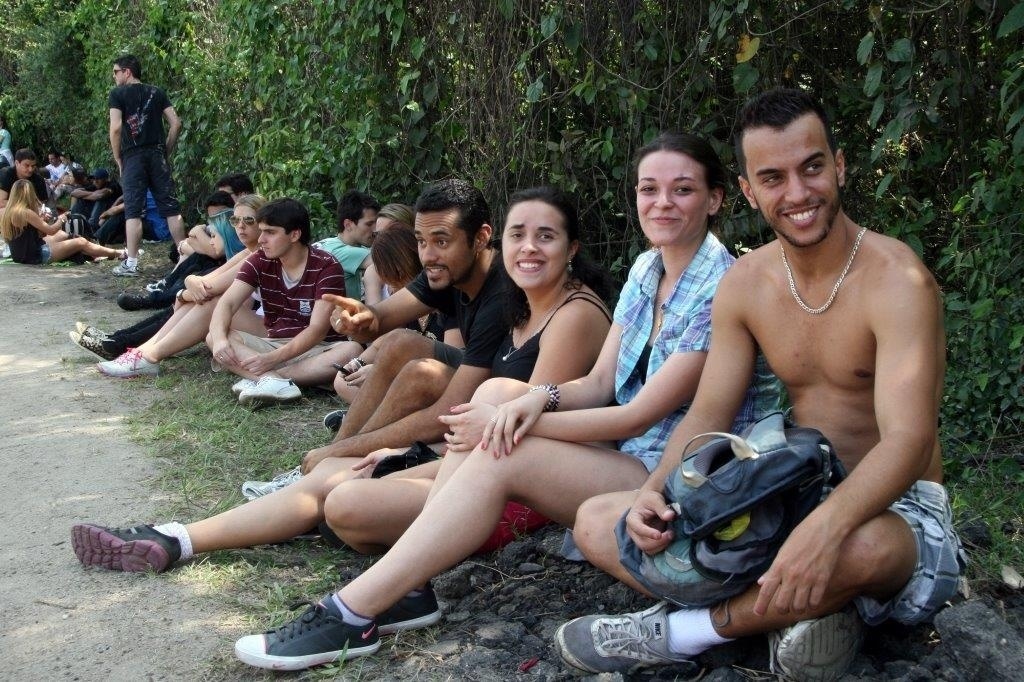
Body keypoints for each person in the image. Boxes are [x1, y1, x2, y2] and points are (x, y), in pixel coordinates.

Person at [228, 135, 779, 671]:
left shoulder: (720, 285)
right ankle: (408, 585)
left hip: (683, 473)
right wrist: (535, 400)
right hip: (633, 455)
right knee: (497, 396)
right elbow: (599, 383)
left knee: (501, 440)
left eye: (681, 190)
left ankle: (352, 610)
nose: (662, 203)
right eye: (649, 189)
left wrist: (518, 422)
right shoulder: (646, 270)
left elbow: (642, 413)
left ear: (715, 199)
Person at [552, 88, 966, 680]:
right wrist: (659, 489)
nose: (797, 194)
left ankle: (676, 633)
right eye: (773, 177)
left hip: (892, 507)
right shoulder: (747, 283)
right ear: (748, 191)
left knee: (864, 548)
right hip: (784, 491)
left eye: (812, 167)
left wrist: (828, 526)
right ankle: (803, 612)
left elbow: (908, 441)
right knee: (598, 520)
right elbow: (708, 414)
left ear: (839, 165)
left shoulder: (898, 281)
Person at [69, 187, 612, 581]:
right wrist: (361, 319)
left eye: (546, 238)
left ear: (571, 246)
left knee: (346, 497)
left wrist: (389, 454)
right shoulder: (520, 299)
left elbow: (518, 427)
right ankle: (176, 538)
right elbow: (388, 323)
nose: (529, 250)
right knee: (348, 466)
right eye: (521, 236)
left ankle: (360, 545)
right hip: (478, 458)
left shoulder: (557, 310)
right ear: (502, 239)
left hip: (505, 479)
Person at [86, 194, 267, 376]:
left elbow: (210, 288)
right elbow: (208, 281)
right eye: (235, 220)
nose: (241, 226)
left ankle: (147, 355)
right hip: (263, 324)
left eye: (249, 220)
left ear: (263, 223)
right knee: (201, 297)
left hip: (276, 331)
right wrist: (188, 284)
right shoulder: (248, 253)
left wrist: (182, 294)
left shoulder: (260, 255)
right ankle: (142, 353)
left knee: (210, 302)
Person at [205, 197, 346, 403]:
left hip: (318, 348)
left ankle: (265, 380)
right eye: (261, 231)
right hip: (275, 343)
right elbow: (226, 303)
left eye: (270, 232)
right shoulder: (260, 259)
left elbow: (317, 330)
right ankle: (275, 382)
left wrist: (271, 360)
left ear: (295, 234)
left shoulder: (326, 266)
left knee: (350, 351)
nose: (261, 239)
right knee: (215, 335)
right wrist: (218, 341)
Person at [108, 54, 186, 276]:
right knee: (170, 207)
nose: (114, 77)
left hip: (132, 156)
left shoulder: (117, 94)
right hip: (156, 154)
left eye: (116, 72)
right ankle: (185, 257)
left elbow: (115, 128)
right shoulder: (157, 92)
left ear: (127, 72)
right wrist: (165, 150)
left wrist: (117, 157)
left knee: (133, 210)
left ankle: (131, 263)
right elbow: (176, 124)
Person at [0, 179, 123, 264]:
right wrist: (62, 218)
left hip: (19, 254)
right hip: (34, 256)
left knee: (64, 235)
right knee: (80, 242)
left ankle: (93, 252)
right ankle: (118, 253)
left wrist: (41, 220)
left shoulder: (7, 211)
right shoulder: (26, 212)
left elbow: (36, 235)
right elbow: (51, 231)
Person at [312, 189, 378, 301]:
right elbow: (391, 262)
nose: (376, 229)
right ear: (348, 225)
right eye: (369, 224)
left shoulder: (329, 243)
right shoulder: (343, 252)